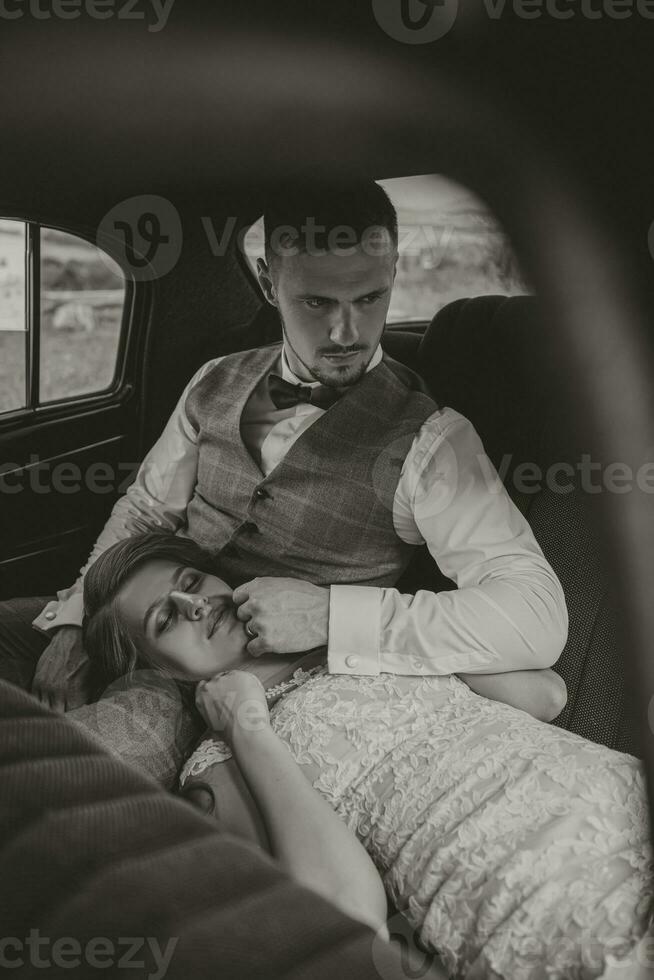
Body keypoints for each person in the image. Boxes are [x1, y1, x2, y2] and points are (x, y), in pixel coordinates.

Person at [0, 180, 568, 778]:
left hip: (236, 687)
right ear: (270, 282)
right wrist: (74, 621)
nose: (347, 333)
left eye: (370, 297)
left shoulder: (434, 441)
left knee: (51, 774)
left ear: (395, 271)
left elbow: (534, 614)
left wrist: (331, 615)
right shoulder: (214, 380)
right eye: (317, 303)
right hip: (135, 619)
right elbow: (146, 513)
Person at [82, 532, 653, 980]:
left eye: (192, 580)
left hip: (613, 798)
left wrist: (347, 623)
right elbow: (349, 911)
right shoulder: (221, 761)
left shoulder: (347, 636)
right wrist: (248, 727)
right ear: (159, 672)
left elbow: (542, 696)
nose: (196, 605)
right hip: (534, 894)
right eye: (165, 618)